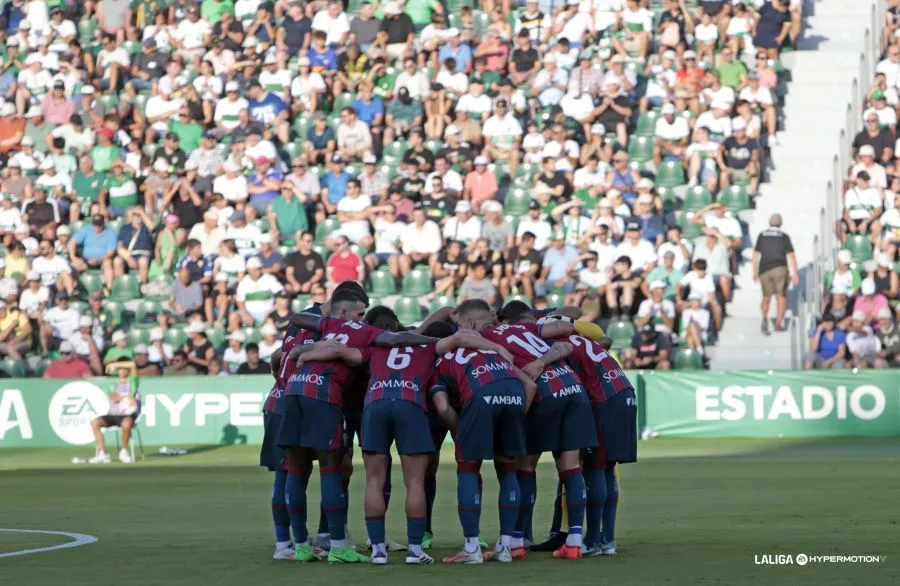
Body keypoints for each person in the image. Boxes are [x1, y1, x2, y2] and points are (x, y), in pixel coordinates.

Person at [277, 293, 435, 563]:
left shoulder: (326, 325)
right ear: (345, 313)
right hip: (324, 394)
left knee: (295, 469)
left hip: (293, 391)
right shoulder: (367, 332)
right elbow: (396, 340)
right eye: (359, 313)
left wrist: (315, 338)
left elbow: (296, 318)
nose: (362, 318)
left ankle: (301, 545)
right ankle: (338, 545)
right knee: (331, 467)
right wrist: (434, 341)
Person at [456, 299, 591, 560]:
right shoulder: (525, 328)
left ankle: (516, 541)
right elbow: (565, 342)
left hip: (543, 392)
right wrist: (542, 358)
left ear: (471, 323)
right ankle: (574, 541)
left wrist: (537, 366)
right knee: (571, 466)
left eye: (462, 326)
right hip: (574, 388)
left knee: (524, 466)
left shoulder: (483, 336)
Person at [752, 213, 799, 335]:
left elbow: (756, 254)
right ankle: (778, 323)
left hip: (764, 269)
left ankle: (764, 318)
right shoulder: (783, 236)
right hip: (780, 268)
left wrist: (754, 271)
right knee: (781, 297)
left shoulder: (762, 235)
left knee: (766, 297)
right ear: (780, 223)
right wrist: (794, 273)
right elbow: (791, 255)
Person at [88, 359, 140, 464]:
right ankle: (104, 453)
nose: (122, 371)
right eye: (120, 369)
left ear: (128, 371)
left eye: (125, 369)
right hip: (112, 415)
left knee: (127, 423)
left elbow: (133, 364)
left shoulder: (133, 383)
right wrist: (127, 397)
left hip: (127, 415)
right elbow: (114, 398)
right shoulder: (113, 385)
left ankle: (124, 451)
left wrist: (115, 364)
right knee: (95, 423)